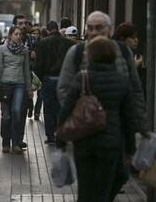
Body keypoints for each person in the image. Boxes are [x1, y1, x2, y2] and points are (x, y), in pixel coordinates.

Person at [57, 36, 135, 201]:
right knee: (103, 191)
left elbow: (66, 109)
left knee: (85, 190)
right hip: (110, 144)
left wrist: (60, 139)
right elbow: (129, 117)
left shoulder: (82, 77)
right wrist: (130, 149)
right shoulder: (122, 81)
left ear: (90, 56)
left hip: (84, 142)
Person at [34, 20, 75, 144]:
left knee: (48, 108)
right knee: (61, 106)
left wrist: (41, 78)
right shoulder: (68, 43)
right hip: (63, 79)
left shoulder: (42, 42)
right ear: (58, 28)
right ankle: (60, 133)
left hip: (48, 78)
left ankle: (50, 135)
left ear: (47, 29)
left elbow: (38, 64)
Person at [0, 26, 32, 153]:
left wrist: (29, 88)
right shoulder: (2, 49)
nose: (18, 36)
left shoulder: (25, 50)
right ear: (10, 35)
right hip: (4, 85)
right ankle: (5, 143)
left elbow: (26, 70)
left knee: (16, 112)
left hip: (19, 84)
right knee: (6, 116)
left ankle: (15, 143)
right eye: (16, 34)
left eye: (20, 34)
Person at [13, 14, 36, 150]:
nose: (23, 26)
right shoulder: (8, 42)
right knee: (11, 113)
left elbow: (37, 58)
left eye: (24, 23)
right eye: (20, 23)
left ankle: (18, 139)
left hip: (26, 80)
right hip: (11, 82)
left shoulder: (32, 40)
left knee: (22, 112)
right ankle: (10, 140)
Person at [28, 26, 43, 120]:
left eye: (37, 34)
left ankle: (37, 112)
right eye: (34, 33)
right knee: (29, 94)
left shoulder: (42, 44)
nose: (35, 35)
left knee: (40, 95)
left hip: (40, 73)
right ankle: (30, 107)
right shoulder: (28, 45)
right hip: (30, 72)